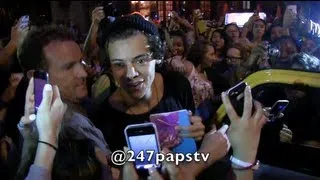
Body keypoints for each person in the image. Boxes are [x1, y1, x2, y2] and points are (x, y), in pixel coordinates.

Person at [93, 14, 205, 153]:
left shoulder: (177, 85)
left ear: (157, 57)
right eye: (119, 64)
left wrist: (197, 132)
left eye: (140, 60)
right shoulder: (103, 117)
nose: (130, 74)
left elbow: (193, 128)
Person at [15, 25, 113, 179]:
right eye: (68, 67)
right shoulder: (64, 137)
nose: (82, 73)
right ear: (37, 76)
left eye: (80, 62)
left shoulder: (88, 106)